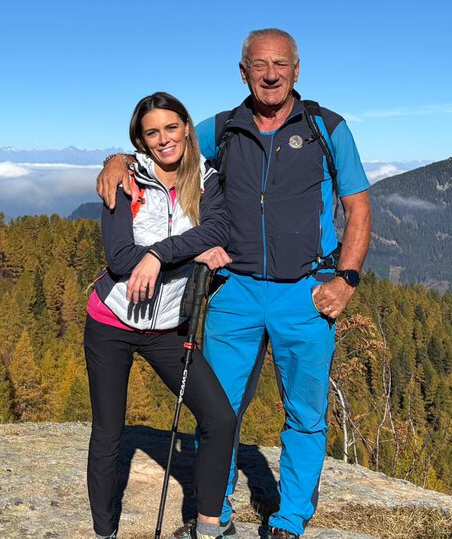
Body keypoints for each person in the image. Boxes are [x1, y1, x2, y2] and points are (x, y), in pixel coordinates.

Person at [95, 29, 373, 538]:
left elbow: (357, 207)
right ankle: (213, 518)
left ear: (297, 69)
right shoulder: (222, 129)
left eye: (281, 64)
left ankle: (290, 520)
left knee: (305, 415)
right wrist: (116, 162)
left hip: (306, 291)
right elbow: (162, 146)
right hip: (233, 291)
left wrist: (347, 280)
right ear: (242, 71)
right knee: (218, 413)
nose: (271, 74)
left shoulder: (327, 128)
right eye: (260, 65)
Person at [85, 92, 238, 539]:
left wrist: (154, 256)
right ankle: (104, 534)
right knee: (109, 434)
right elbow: (118, 259)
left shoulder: (207, 179)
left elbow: (218, 229)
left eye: (171, 127)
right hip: (111, 323)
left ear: (187, 127)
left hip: (168, 327)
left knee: (220, 419)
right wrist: (182, 255)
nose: (163, 138)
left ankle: (210, 526)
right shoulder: (124, 180)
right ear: (141, 139)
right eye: (152, 132)